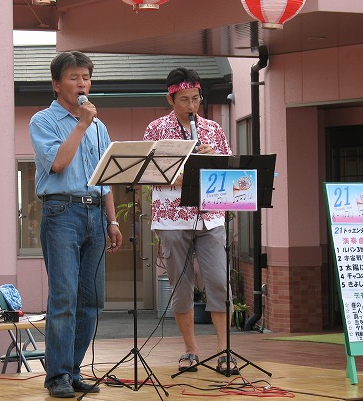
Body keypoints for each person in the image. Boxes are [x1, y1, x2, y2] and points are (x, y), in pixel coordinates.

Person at [29, 51, 123, 398]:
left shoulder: (100, 127)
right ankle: (57, 376)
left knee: (91, 300)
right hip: (61, 213)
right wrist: (81, 124)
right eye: (74, 77)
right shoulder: (43, 121)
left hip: (95, 213)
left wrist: (112, 220)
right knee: (65, 297)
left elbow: (106, 177)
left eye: (86, 77)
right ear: (57, 84)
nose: (82, 83)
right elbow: (58, 164)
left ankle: (73, 369)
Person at [143, 67, 235, 375]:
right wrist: (178, 176)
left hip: (211, 217)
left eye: (196, 98)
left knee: (219, 282)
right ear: (170, 99)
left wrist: (214, 158)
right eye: (184, 99)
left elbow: (231, 173)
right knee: (181, 287)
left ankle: (224, 351)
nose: (192, 105)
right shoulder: (156, 129)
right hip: (172, 218)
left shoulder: (213, 129)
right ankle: (190, 349)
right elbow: (146, 172)